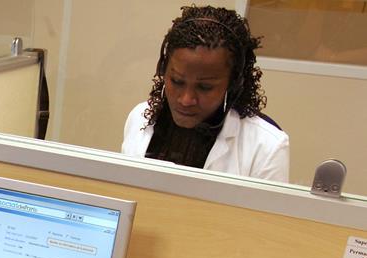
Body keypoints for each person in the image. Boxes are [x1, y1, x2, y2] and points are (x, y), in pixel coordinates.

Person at [121, 5, 289, 182]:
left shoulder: (267, 147)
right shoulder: (139, 118)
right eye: (177, 81)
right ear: (163, 71)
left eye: (205, 87)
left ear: (233, 84)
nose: (186, 100)